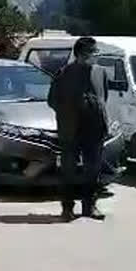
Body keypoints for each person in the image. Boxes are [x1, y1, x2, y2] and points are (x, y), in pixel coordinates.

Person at [48, 37, 109, 222]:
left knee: (93, 169)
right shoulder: (64, 73)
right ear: (82, 54)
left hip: (95, 129)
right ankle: (67, 208)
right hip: (72, 129)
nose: (96, 56)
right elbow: (52, 100)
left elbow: (103, 97)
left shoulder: (100, 72)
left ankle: (90, 206)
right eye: (93, 52)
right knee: (69, 170)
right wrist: (68, 114)